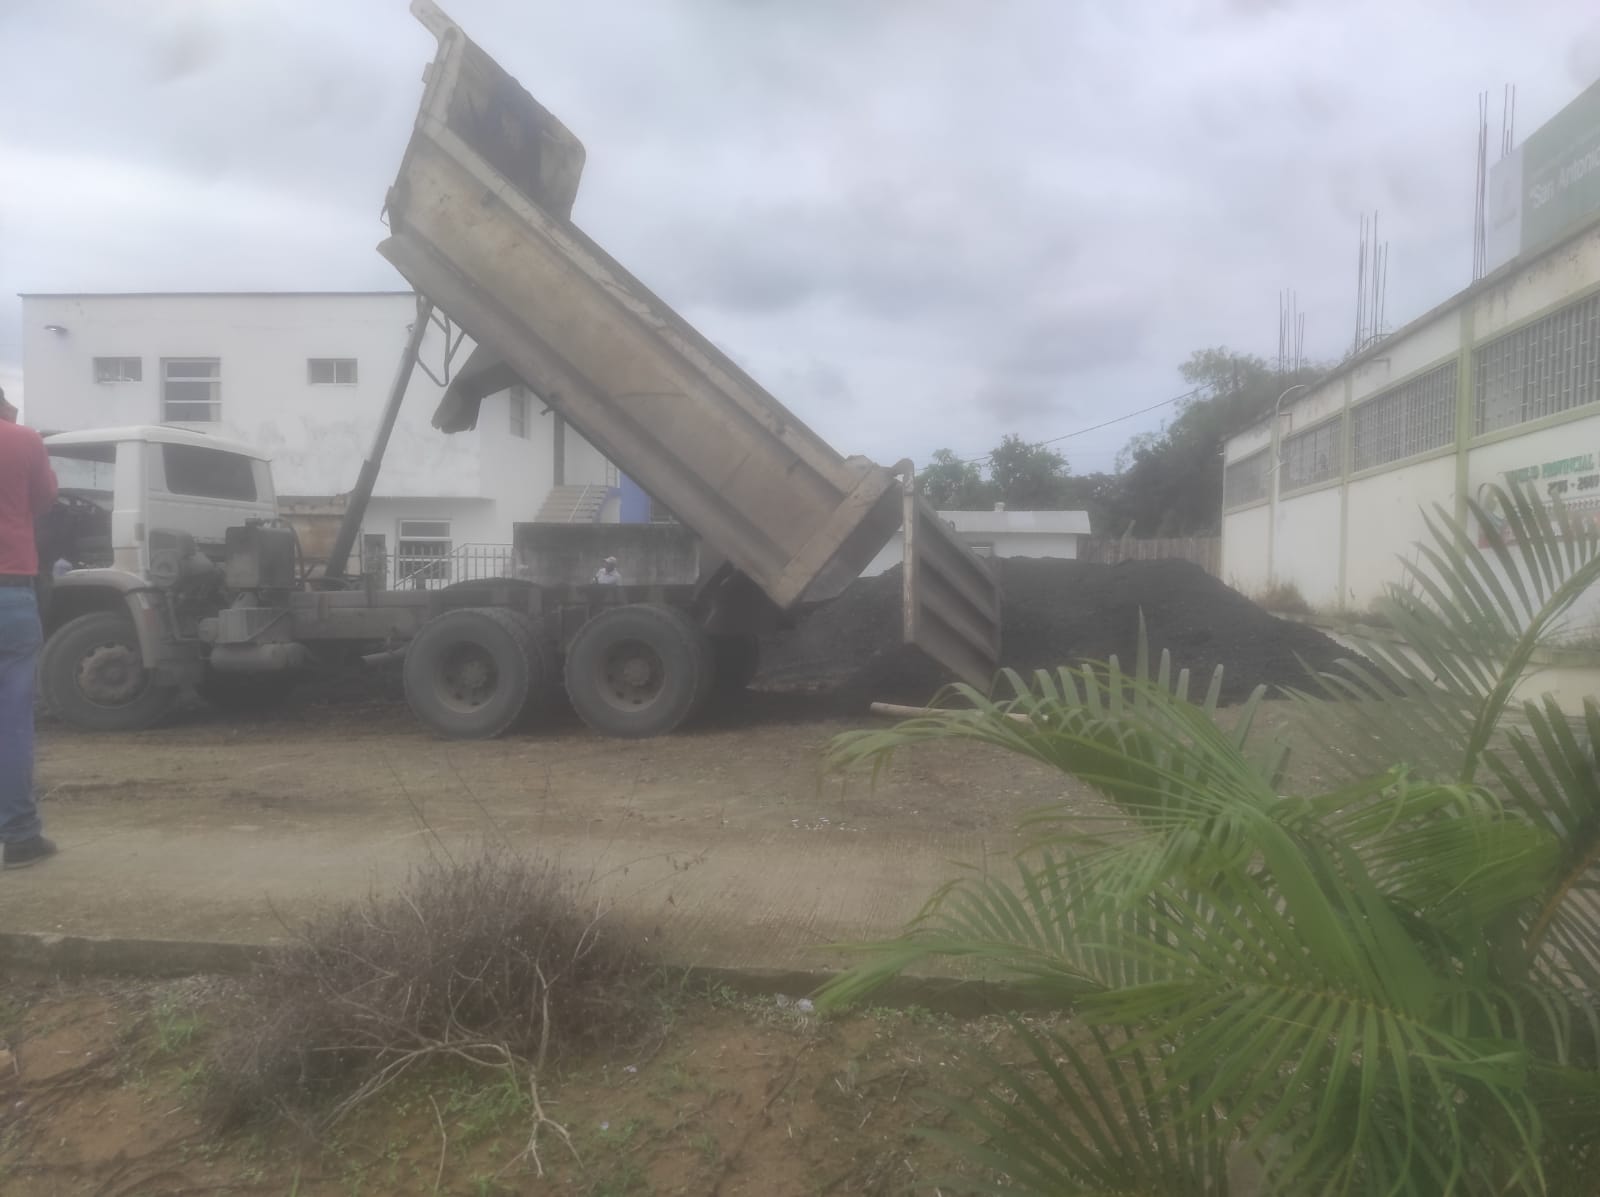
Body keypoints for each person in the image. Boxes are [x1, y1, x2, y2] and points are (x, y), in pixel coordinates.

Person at [0, 387, 59, 868]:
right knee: (11, 721)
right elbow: (43, 500)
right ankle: (19, 836)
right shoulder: (22, 439)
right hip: (9, 590)